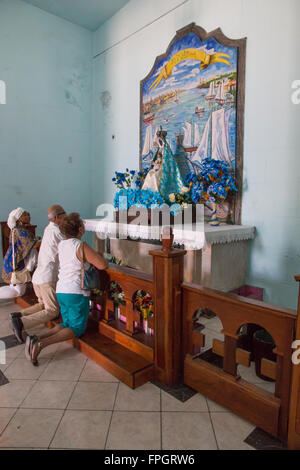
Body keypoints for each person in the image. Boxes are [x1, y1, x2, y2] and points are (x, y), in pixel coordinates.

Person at [26, 212, 108, 366]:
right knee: (76, 328)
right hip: (76, 291)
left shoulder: (62, 244)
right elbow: (102, 265)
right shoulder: (80, 245)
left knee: (67, 323)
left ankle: (37, 338)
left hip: (61, 289)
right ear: (80, 229)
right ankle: (41, 344)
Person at [10, 205, 66, 343]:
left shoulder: (48, 229)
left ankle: (18, 315)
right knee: (52, 310)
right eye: (64, 214)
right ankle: (21, 323)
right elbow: (68, 249)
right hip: (48, 277)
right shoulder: (58, 232)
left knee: (43, 305)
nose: (66, 217)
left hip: (38, 277)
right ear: (58, 217)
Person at [0, 208, 38, 300]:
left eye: (27, 214)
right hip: (17, 261)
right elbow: (30, 243)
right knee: (19, 291)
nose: (28, 216)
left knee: (17, 287)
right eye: (24, 215)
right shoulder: (19, 230)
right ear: (18, 219)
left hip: (14, 258)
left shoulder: (18, 229)